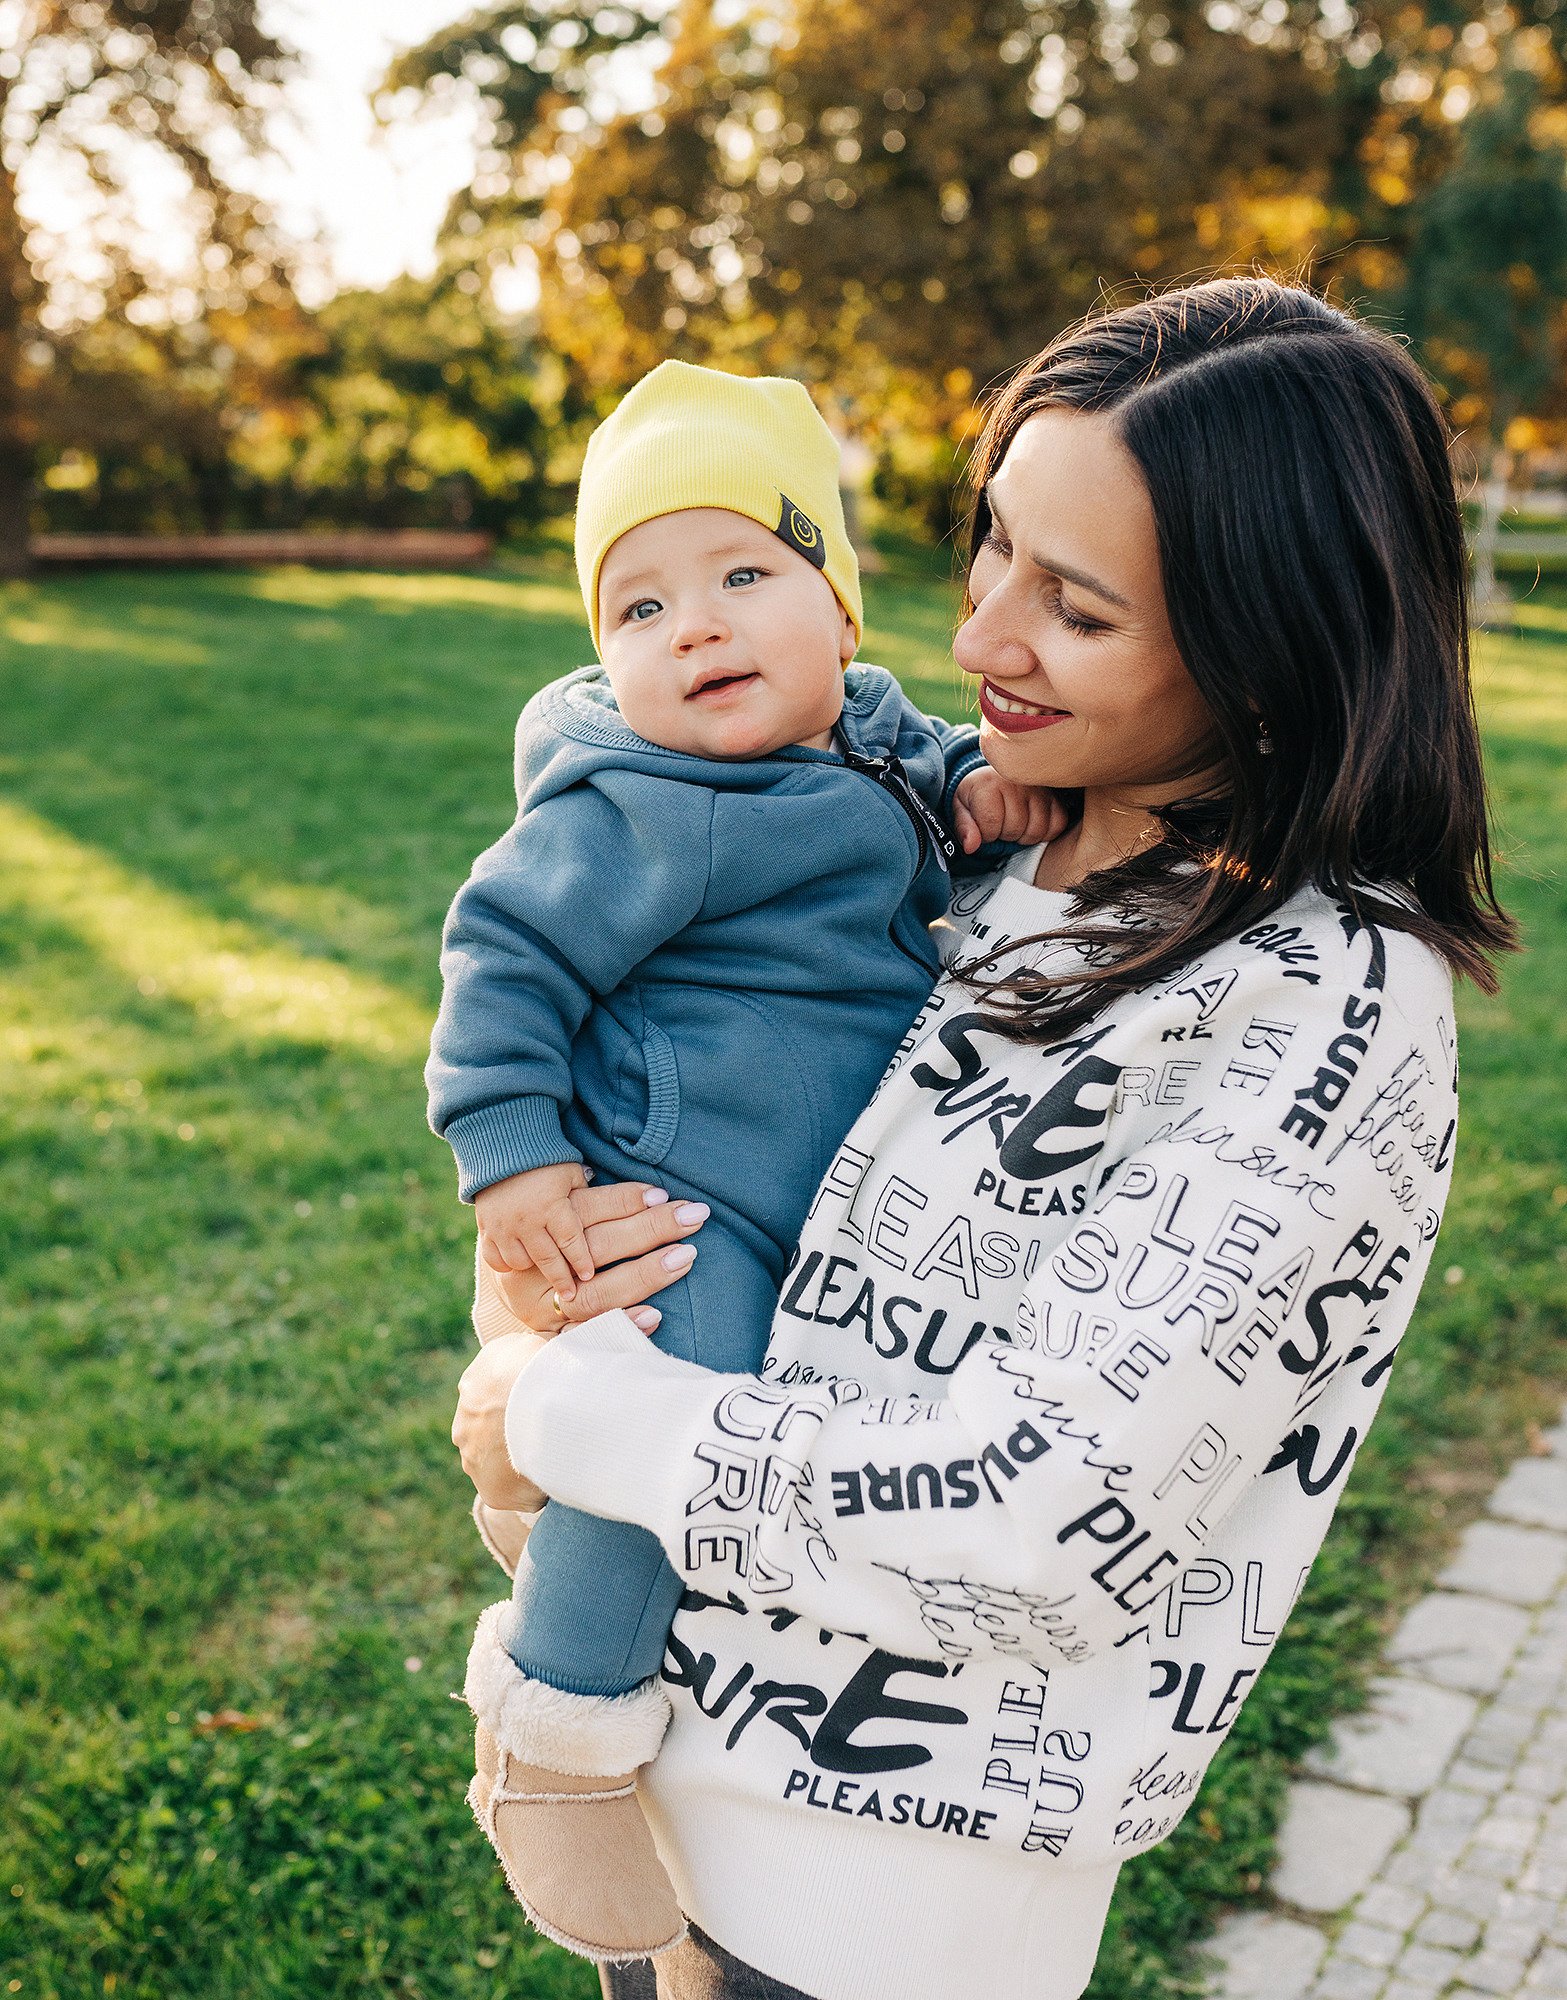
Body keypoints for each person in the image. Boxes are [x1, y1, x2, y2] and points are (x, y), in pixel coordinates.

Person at [453, 277, 1515, 2000]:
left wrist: (567, 1408)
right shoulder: (973, 836)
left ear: (1272, 647)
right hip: (670, 1796)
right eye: (990, 551)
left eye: (1075, 609)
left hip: (883, 1904)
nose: (978, 643)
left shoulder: (1324, 996)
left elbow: (1040, 1521)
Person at [426, 360, 1058, 1962]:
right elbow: (499, 959)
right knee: (663, 1408)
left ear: (840, 612)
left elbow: (937, 800)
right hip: (682, 1201)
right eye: (634, 607)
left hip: (831, 1203)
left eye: (742, 575)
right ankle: (555, 1732)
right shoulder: (641, 802)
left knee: (740, 1456)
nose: (693, 627)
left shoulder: (877, 735)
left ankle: (560, 1521)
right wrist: (518, 1170)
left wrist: (982, 799)